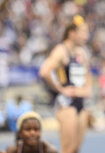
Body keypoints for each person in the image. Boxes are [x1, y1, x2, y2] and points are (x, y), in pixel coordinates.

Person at [39, 15, 92, 153]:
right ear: (72, 33)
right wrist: (61, 89)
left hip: (81, 103)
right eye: (83, 32)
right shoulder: (61, 51)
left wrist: (87, 89)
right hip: (66, 104)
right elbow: (44, 72)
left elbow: (88, 72)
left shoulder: (81, 52)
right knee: (68, 149)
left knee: (75, 149)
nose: (86, 36)